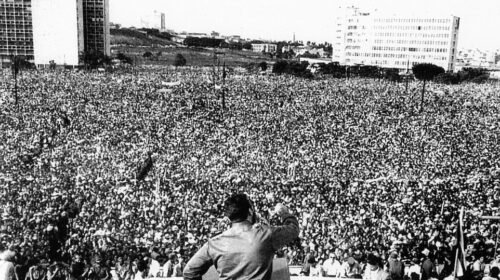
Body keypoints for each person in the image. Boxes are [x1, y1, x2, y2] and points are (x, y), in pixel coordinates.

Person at [183, 194, 299, 280]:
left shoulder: (214, 243)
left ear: (229, 217)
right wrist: (284, 213)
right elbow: (293, 229)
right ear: (249, 212)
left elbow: (189, 272)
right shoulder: (266, 234)